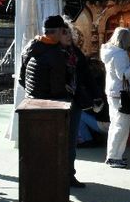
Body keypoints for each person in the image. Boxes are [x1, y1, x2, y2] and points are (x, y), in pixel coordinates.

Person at [18, 15, 95, 189]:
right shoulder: (55, 54)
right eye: (64, 32)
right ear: (59, 32)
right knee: (65, 143)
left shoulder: (32, 46)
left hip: (36, 103)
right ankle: (64, 177)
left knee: (45, 145)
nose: (67, 35)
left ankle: (50, 178)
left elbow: (22, 79)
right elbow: (57, 87)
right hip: (58, 106)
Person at [100, 26, 130, 168]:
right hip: (120, 94)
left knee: (116, 125)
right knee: (121, 126)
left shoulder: (111, 53)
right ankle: (114, 157)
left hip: (115, 92)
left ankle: (113, 155)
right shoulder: (119, 54)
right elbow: (122, 75)